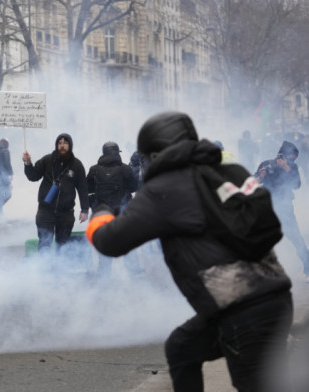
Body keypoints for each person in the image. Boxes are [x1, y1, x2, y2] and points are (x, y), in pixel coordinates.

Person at [86, 112, 293, 392]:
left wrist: (101, 211)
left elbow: (109, 242)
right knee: (182, 347)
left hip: (241, 311)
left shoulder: (163, 189)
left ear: (155, 153)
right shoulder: (225, 169)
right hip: (276, 298)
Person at [23, 133, 89, 252]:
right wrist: (28, 164)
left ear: (70, 145)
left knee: (62, 245)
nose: (62, 146)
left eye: (65, 143)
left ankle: (59, 269)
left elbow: (83, 188)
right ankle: (44, 269)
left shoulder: (77, 165)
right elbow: (33, 176)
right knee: (44, 244)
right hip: (45, 211)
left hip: (66, 213)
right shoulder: (47, 160)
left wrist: (84, 209)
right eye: (60, 143)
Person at [86, 141, 142, 278]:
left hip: (103, 214)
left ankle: (104, 277)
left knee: (105, 245)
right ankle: (136, 275)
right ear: (117, 153)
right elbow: (134, 187)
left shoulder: (94, 169)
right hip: (122, 213)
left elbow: (88, 189)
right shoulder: (124, 169)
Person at [256, 141, 309, 279]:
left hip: (285, 207)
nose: (292, 160)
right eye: (290, 156)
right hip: (268, 207)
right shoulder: (266, 164)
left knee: (296, 239)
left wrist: (286, 168)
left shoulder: (292, 167)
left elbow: (297, 185)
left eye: (293, 158)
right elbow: (251, 183)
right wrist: (260, 177)